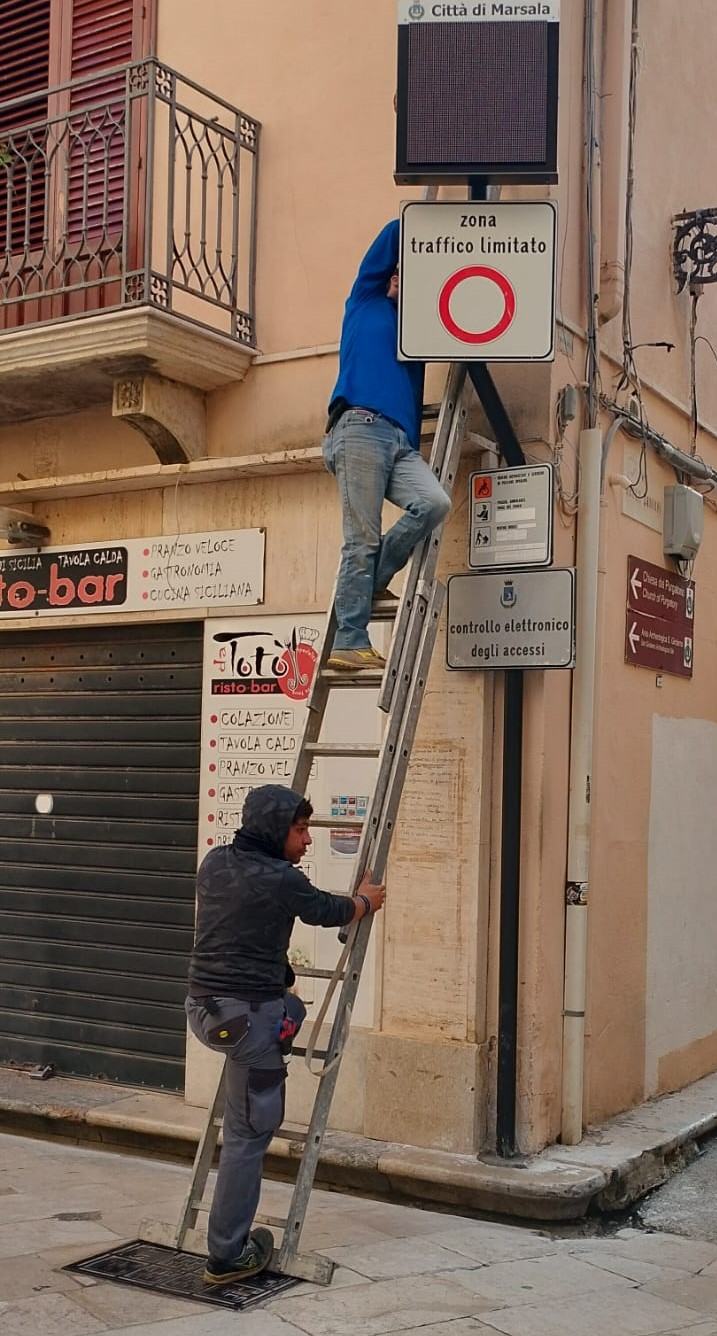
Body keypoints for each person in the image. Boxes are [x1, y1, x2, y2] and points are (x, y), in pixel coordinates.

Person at [185, 784, 385, 1284]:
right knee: (248, 1137)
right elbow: (328, 910)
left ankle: (279, 1021)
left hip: (205, 1010)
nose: (306, 841)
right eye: (299, 830)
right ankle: (227, 1255)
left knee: (287, 1004)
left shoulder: (214, 862)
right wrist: (365, 900)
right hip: (249, 1020)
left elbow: (242, 924)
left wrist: (277, 972)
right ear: (276, 830)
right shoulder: (280, 877)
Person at [323, 218, 451, 671]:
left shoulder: (413, 333)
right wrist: (428, 232)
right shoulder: (365, 302)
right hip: (359, 426)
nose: (398, 278)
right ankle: (349, 639)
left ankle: (374, 579)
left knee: (434, 503)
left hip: (400, 441)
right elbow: (393, 235)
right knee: (361, 537)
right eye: (397, 272)